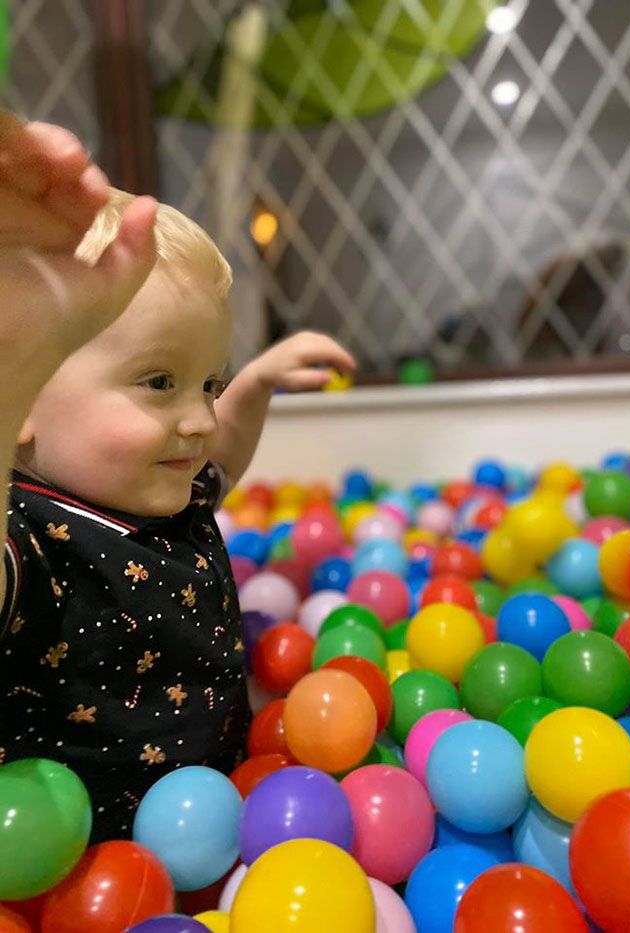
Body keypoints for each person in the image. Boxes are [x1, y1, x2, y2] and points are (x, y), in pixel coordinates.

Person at [0, 112, 355, 841]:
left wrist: (252, 387)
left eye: (208, 385)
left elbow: (224, 454)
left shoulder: (163, 495)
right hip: (81, 866)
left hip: (231, 823)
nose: (197, 418)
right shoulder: (30, 539)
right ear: (24, 396)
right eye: (160, 380)